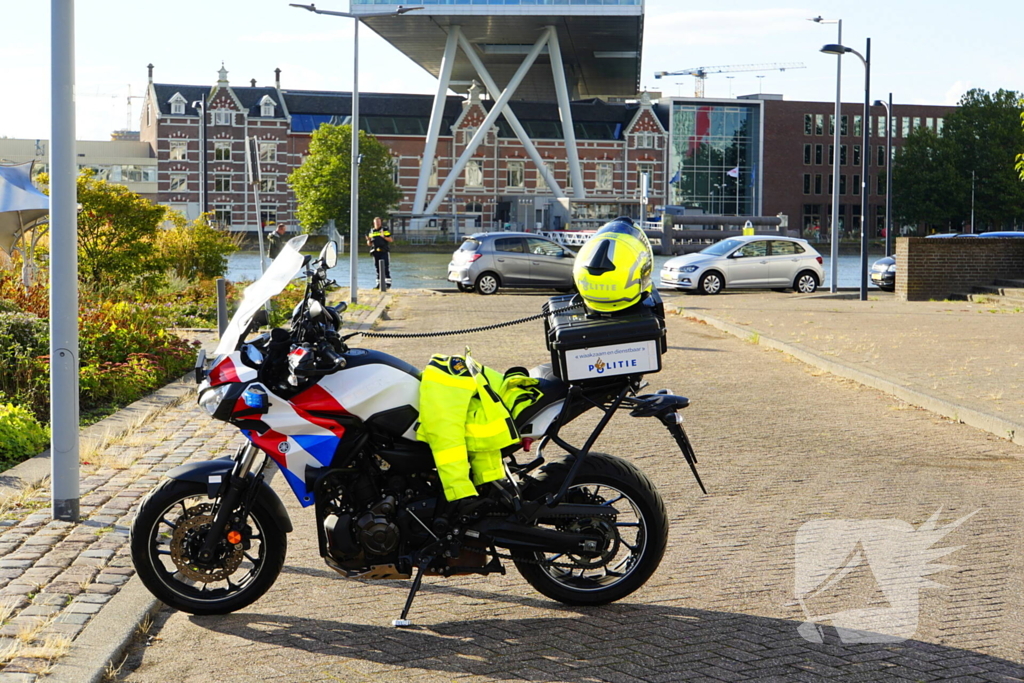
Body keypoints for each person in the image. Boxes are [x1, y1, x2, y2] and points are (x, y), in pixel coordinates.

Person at [365, 217, 393, 288]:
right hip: (375, 252)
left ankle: (387, 284)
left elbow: (390, 239)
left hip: (384, 251)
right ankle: (379, 284)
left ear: (381, 222)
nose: (377, 223)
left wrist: (383, 237)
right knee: (377, 268)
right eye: (376, 222)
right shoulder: (372, 231)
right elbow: (369, 244)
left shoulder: (385, 230)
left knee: (385, 267)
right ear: (374, 223)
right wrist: (368, 240)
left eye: (379, 222)